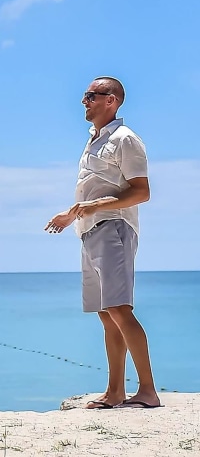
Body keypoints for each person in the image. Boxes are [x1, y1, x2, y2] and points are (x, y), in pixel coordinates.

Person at [45, 77, 160, 409]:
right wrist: (72, 215)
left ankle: (148, 391)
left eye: (90, 96)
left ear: (111, 100)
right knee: (107, 314)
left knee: (120, 309)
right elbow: (94, 190)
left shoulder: (125, 140)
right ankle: (115, 392)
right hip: (90, 230)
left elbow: (142, 191)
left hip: (114, 229)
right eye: (85, 96)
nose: (84, 101)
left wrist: (97, 207)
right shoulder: (95, 141)